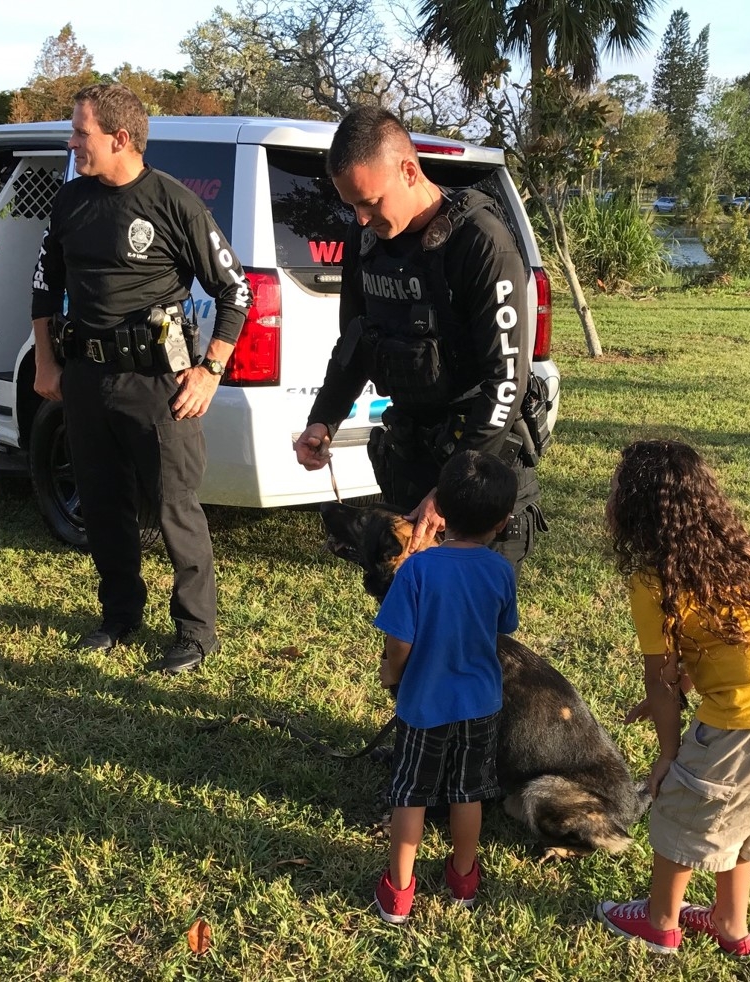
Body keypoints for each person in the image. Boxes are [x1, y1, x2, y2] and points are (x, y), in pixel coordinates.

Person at [30, 83, 251, 675]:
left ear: (119, 138)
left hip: (157, 382)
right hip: (85, 377)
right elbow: (45, 283)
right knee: (103, 503)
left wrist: (210, 371)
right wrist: (49, 362)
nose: (72, 142)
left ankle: (196, 631)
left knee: (174, 506)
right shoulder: (71, 200)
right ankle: (120, 614)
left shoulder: (174, 203)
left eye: (82, 133)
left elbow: (236, 292)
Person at [595, 440, 750, 956]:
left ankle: (660, 923)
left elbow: (658, 678)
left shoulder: (651, 579)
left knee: (681, 809)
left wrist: (667, 755)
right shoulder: (726, 550)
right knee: (745, 815)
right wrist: (684, 686)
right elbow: (720, 643)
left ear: (636, 508)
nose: (609, 495)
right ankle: (730, 923)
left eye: (616, 488)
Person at [293, 107, 545, 578]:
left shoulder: (480, 240)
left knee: (468, 628)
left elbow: (506, 380)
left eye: (370, 202)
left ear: (409, 171)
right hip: (410, 457)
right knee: (407, 616)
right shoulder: (366, 238)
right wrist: (323, 420)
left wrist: (451, 491)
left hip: (476, 462)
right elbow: (356, 342)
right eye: (351, 206)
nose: (361, 219)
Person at [371, 450, 519, 924]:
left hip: (422, 705)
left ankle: (398, 892)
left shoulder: (416, 569)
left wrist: (392, 673)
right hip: (481, 704)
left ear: (442, 514)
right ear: (503, 522)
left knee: (410, 793)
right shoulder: (501, 571)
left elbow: (399, 641)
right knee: (466, 793)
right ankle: (463, 879)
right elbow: (503, 627)